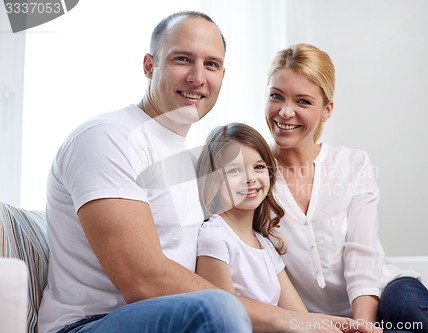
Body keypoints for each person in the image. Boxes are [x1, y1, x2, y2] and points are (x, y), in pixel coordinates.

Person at [38, 11, 370, 333]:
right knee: (222, 308)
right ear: (149, 65)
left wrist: (306, 318)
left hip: (178, 316)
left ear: (222, 75)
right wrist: (290, 320)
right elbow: (143, 280)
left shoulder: (190, 161)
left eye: (211, 64)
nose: (198, 77)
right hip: (93, 322)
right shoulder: (107, 137)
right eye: (182, 59)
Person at [264, 43, 428, 333]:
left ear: (326, 110)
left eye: (303, 102)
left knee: (411, 303)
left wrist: (362, 328)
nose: (285, 112)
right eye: (276, 96)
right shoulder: (253, 175)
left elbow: (362, 253)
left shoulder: (353, 164)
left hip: (378, 297)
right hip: (316, 318)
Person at [195, 123, 307, 312]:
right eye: (234, 170)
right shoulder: (214, 238)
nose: (250, 178)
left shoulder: (265, 244)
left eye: (258, 167)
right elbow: (226, 318)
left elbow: (301, 317)